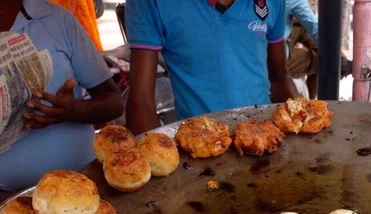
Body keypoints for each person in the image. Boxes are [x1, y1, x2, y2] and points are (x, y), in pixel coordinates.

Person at [0, 0, 124, 192]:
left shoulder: (57, 20)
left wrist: (74, 111)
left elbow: (114, 102)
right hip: (8, 199)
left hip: (84, 184)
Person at [125, 0, 299, 136]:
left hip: (265, 134)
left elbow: (279, 77)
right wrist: (155, 155)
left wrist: (301, 122)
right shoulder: (150, 3)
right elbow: (141, 99)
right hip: (199, 143)